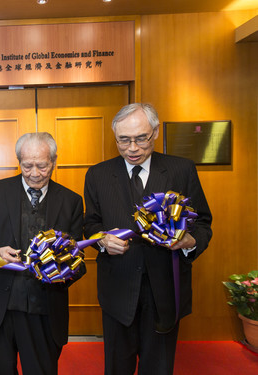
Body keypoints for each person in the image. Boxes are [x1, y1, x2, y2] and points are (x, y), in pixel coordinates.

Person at [83, 103, 212, 375]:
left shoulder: (181, 170)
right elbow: (90, 224)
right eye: (124, 140)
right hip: (117, 288)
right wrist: (102, 241)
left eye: (140, 138)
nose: (132, 148)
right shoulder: (98, 174)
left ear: (155, 132)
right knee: (117, 367)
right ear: (115, 136)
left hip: (164, 289)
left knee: (159, 368)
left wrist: (190, 241)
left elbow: (202, 222)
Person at [0, 132, 85, 375]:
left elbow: (78, 260)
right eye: (27, 165)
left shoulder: (71, 201)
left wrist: (59, 270)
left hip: (44, 309)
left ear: (53, 161)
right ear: (18, 161)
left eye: (42, 166)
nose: (35, 173)